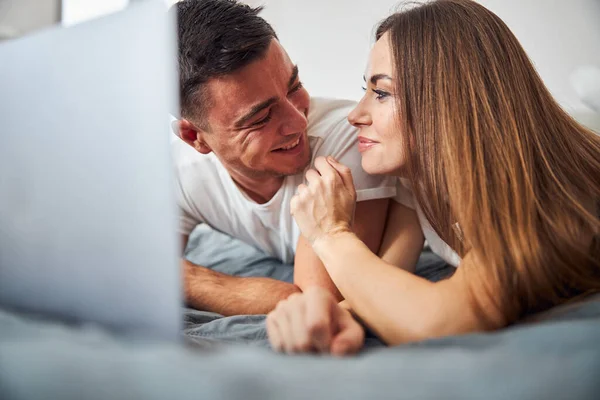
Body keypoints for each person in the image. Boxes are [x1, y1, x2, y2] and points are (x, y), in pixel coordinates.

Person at [266, 0, 600, 355]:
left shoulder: (529, 190)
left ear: (448, 98)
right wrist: (340, 315)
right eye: (366, 90)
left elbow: (439, 322)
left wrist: (330, 233)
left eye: (381, 93)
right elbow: (390, 278)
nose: (356, 115)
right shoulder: (422, 180)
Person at [170, 0, 397, 316]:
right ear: (195, 137)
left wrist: (186, 278)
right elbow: (135, 269)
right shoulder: (178, 171)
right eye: (261, 117)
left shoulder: (353, 137)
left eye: (295, 87)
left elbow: (315, 304)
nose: (298, 122)